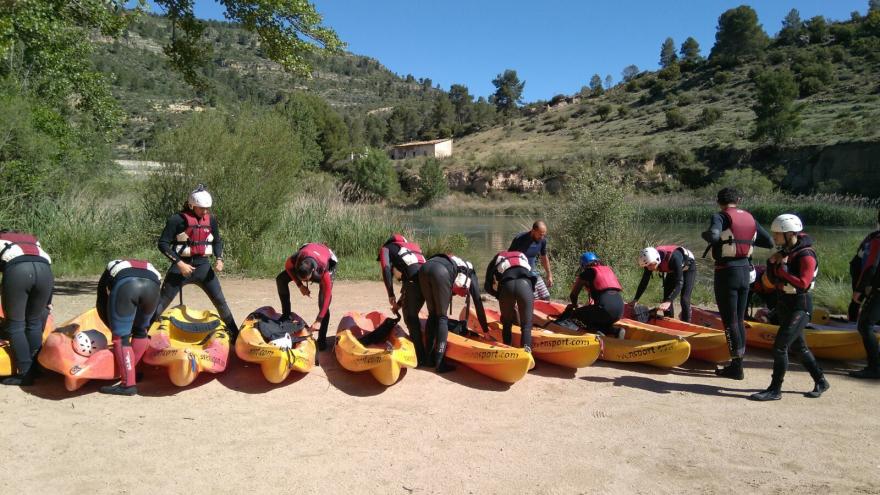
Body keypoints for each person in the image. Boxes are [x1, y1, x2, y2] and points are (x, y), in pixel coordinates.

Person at [750, 214, 829, 401]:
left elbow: (803, 283)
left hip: (800, 306)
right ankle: (821, 381)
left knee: (780, 347)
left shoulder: (806, 255)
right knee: (799, 347)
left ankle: (774, 390)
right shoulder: (787, 251)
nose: (775, 237)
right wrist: (773, 265)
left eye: (778, 234)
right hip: (786, 303)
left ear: (790, 234)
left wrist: (782, 272)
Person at [701, 187, 773, 380]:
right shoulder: (750, 218)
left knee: (730, 320)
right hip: (746, 271)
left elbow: (715, 236)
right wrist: (744, 241)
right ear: (738, 200)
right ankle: (738, 362)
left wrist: (706, 235)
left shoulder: (720, 217)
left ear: (719, 202)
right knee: (739, 319)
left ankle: (736, 367)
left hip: (727, 272)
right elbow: (769, 242)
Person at [154, 185, 237, 339]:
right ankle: (140, 334)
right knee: (161, 303)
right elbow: (163, 244)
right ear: (191, 205)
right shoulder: (176, 220)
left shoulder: (210, 219)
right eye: (201, 208)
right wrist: (179, 263)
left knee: (220, 301)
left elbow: (217, 241)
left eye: (207, 208)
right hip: (181, 267)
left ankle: (235, 335)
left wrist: (219, 258)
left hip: (203, 267)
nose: (205, 211)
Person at [95, 259, 162, 396]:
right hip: (153, 287)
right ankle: (134, 372)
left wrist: (114, 327)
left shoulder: (111, 266)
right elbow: (155, 311)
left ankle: (128, 384)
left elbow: (101, 301)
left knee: (121, 337)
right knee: (141, 331)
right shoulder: (151, 267)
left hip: (127, 285)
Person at [419, 253, 490, 373]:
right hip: (440, 272)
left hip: (424, 268)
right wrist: (485, 331)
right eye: (465, 293)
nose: (463, 295)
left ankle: (429, 359)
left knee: (432, 314)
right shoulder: (471, 273)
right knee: (442, 317)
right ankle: (440, 363)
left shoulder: (457, 266)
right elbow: (478, 303)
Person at [0, 230, 53, 386]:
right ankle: (38, 368)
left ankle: (24, 373)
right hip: (45, 272)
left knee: (15, 325)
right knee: (34, 322)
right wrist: (49, 301)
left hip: (19, 270)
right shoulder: (31, 239)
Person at [276, 242, 337, 351]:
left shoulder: (324, 269)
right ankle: (286, 316)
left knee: (323, 303)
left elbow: (328, 296)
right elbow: (287, 266)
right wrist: (300, 285)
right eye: (302, 279)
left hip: (326, 260)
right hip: (308, 252)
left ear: (312, 272)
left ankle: (322, 339)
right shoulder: (297, 259)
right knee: (280, 279)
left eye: (306, 279)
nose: (305, 281)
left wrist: (318, 320)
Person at [378, 233, 427, 364]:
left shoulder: (386, 249)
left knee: (410, 317)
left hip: (414, 282)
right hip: (430, 279)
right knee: (421, 314)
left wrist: (390, 294)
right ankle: (429, 347)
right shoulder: (413, 247)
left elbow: (386, 269)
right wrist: (398, 304)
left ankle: (420, 356)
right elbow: (411, 280)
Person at [849, 208, 880, 378]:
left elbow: (870, 266)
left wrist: (859, 290)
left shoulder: (876, 239)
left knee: (865, 325)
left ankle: (874, 368)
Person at [484, 250, 536, 352]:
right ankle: (527, 354)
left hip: (506, 287)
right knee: (526, 326)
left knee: (507, 324)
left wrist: (499, 296)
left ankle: (508, 353)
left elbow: (487, 285)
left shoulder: (497, 259)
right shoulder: (522, 256)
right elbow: (533, 277)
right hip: (525, 285)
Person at [632, 245, 697, 322]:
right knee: (666, 298)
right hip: (672, 269)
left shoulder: (674, 258)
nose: (649, 268)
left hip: (688, 267)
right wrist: (636, 299)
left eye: (650, 265)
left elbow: (680, 282)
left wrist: (669, 301)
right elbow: (644, 281)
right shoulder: (650, 261)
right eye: (646, 266)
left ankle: (687, 324)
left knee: (684, 299)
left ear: (657, 259)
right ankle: (668, 321)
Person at [567, 252, 624, 335]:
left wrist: (575, 306)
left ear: (583, 265)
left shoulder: (586, 273)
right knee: (600, 320)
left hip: (605, 310)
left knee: (575, 315)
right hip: (620, 310)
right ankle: (615, 331)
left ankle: (596, 332)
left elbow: (573, 295)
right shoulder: (608, 270)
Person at [508, 221, 553, 301]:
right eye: (540, 234)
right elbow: (509, 257)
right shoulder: (519, 239)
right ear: (533, 231)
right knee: (532, 299)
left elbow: (544, 258)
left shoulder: (542, 241)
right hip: (520, 274)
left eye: (544, 234)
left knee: (546, 297)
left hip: (533, 273)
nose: (542, 237)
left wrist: (549, 274)